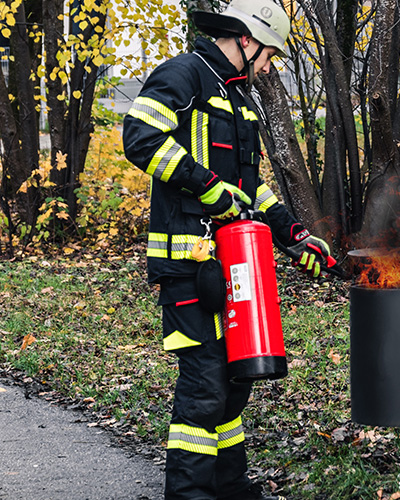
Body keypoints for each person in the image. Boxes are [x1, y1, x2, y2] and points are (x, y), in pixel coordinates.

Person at [123, 1, 332, 498]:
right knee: (205, 384)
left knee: (236, 379)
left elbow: (250, 187)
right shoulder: (183, 75)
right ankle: (190, 492)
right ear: (244, 38)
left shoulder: (238, 99)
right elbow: (139, 136)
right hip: (187, 262)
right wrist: (208, 187)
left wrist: (294, 233)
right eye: (268, 54)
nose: (267, 66)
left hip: (235, 262)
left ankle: (229, 485)